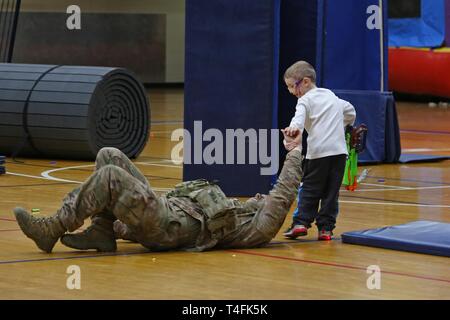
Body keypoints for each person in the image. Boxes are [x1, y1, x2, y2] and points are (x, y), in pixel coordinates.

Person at [14, 138, 303, 253]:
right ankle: (101, 234)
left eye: (262, 198)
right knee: (109, 155)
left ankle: (51, 228)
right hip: (162, 210)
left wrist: (296, 154)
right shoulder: (236, 206)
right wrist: (119, 228)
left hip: (165, 226)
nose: (259, 195)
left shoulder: (255, 228)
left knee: (111, 178)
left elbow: (280, 197)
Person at [282, 61, 356, 241]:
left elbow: (298, 119)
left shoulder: (304, 100)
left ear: (306, 82)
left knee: (309, 189)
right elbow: (351, 111)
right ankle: (326, 229)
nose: (292, 91)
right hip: (339, 154)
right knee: (331, 193)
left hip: (317, 154)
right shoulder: (332, 97)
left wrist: (293, 129)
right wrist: (345, 125)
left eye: (293, 86)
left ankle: (300, 223)